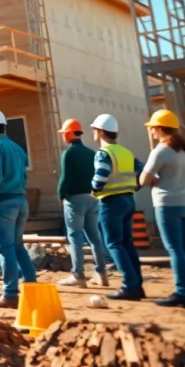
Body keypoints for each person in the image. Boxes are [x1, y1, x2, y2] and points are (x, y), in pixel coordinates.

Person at [140, 110, 185, 308]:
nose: (151, 131)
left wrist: (156, 180)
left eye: (153, 127)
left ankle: (182, 292)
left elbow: (144, 179)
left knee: (175, 249)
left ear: (160, 128)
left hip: (166, 204)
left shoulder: (160, 151)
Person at [0, 108, 37, 308]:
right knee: (18, 246)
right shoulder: (17, 148)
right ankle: (31, 288)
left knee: (5, 248)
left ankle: (10, 294)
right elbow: (24, 176)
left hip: (3, 204)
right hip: (21, 201)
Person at [91, 113, 145, 301]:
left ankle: (129, 286)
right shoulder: (126, 152)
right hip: (128, 200)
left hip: (111, 202)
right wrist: (133, 188)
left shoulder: (103, 153)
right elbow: (142, 171)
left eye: (94, 130)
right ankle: (137, 285)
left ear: (100, 132)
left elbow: (101, 175)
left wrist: (95, 189)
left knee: (114, 243)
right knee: (127, 244)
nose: (93, 133)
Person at [55, 119, 110, 288]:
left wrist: (61, 195)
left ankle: (78, 275)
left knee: (75, 238)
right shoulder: (91, 153)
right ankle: (101, 273)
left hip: (75, 200)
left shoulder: (69, 153)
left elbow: (65, 179)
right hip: (92, 198)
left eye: (64, 133)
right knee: (94, 237)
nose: (63, 136)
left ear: (69, 134)